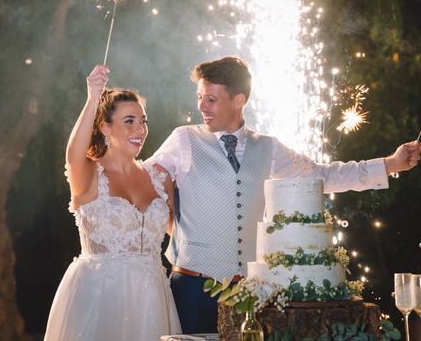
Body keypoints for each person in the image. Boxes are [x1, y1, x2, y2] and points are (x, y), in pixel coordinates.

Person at [147, 56, 421, 334]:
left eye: (211, 99)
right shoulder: (183, 140)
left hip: (250, 295)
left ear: (239, 100)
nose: (201, 107)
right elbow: (138, 180)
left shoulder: (268, 147)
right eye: (200, 97)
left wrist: (391, 163)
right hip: (193, 288)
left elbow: (322, 176)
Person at [44, 64, 181, 340]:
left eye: (143, 120)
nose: (140, 129)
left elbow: (180, 235)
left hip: (152, 301)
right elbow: (74, 152)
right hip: (99, 297)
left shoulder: (159, 178)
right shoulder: (88, 174)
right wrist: (93, 97)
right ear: (104, 127)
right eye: (129, 121)